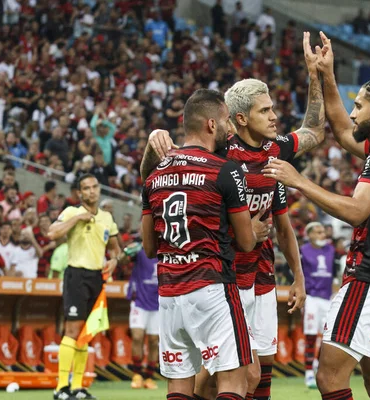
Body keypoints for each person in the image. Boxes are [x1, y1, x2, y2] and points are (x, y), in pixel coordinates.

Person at [144, 31, 326, 400]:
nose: (275, 117)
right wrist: (153, 142)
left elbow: (315, 131)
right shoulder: (219, 154)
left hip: (261, 275)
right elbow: (164, 173)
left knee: (263, 371)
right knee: (233, 374)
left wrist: (314, 75)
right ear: (239, 119)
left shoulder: (275, 152)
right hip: (225, 278)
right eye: (266, 110)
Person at [263, 31, 370, 400]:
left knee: (330, 378)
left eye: (360, 105)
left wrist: (299, 180)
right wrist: (325, 74)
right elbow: (340, 128)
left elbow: (356, 210)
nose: (352, 112)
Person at [140, 89, 257, 400]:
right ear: (210, 124)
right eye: (225, 121)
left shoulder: (155, 174)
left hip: (168, 294)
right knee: (233, 381)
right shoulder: (224, 169)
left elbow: (149, 248)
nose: (230, 128)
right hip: (211, 287)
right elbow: (246, 242)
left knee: (179, 387)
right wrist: (254, 229)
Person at [48, 173, 121, 400]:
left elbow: (116, 248)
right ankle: (61, 388)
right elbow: (52, 233)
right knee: (72, 331)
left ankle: (78, 388)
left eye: (94, 187)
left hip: (96, 277)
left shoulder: (107, 218)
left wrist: (114, 260)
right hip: (76, 275)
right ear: (80, 193)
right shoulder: (71, 212)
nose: (91, 191)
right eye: (86, 188)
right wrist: (78, 219)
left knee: (85, 335)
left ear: (99, 189)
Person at [300, 222, 336, 389]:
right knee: (311, 334)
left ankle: (315, 362)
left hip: (327, 297)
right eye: (319, 232)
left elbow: (335, 272)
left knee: (328, 336)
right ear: (310, 235)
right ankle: (308, 373)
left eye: (323, 231)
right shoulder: (303, 250)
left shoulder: (331, 250)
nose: (323, 234)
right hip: (311, 297)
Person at [120, 240, 160, 390]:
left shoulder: (164, 249)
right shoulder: (138, 249)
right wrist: (125, 252)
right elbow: (122, 261)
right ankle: (137, 374)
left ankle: (149, 377)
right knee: (137, 337)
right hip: (139, 301)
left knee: (154, 341)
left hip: (158, 302)